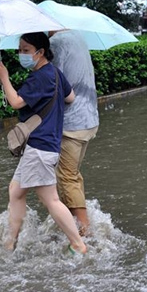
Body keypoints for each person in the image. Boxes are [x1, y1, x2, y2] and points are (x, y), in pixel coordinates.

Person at [0, 32, 87, 255]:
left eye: (26, 50)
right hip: (46, 145)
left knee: (51, 199)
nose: (21, 54)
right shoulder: (54, 73)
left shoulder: (39, 77)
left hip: (40, 147)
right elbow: (70, 97)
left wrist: (4, 78)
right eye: (19, 50)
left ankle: (78, 243)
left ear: (41, 52)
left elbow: (16, 102)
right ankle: (10, 244)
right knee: (16, 191)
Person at [49, 30, 99, 235]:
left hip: (71, 123)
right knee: (72, 175)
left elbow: (53, 81)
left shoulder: (56, 42)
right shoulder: (78, 37)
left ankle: (83, 232)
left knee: (67, 177)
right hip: (89, 118)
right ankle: (73, 223)